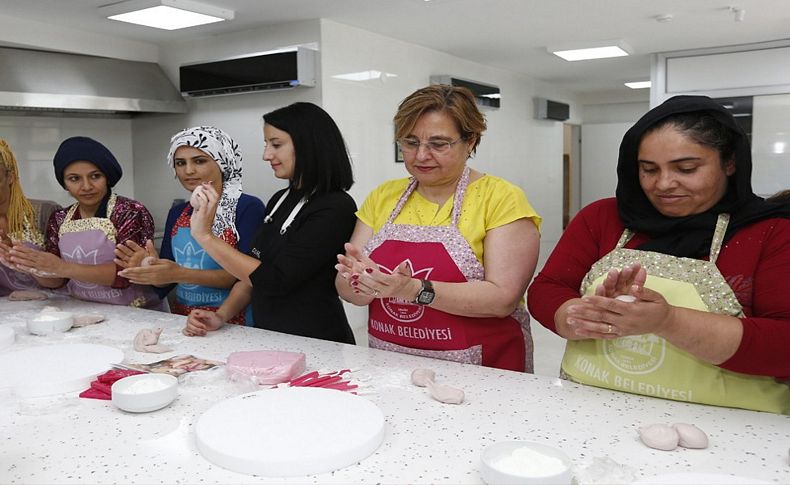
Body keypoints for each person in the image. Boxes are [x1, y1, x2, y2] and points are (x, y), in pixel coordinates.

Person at [527, 95, 790, 414]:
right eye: (649, 169)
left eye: (687, 168)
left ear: (730, 162)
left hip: (730, 425)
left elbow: (783, 346)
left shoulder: (772, 233)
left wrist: (670, 320)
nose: (664, 184)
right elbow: (548, 287)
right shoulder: (602, 218)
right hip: (593, 407)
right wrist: (575, 315)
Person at [335, 84, 541, 372]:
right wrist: (362, 283)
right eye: (410, 142)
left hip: (482, 368)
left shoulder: (501, 198)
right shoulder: (384, 197)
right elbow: (349, 288)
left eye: (439, 144)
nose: (421, 156)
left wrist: (414, 290)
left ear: (470, 141)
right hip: (391, 363)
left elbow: (502, 299)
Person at [184, 102, 357, 343]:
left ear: (309, 144)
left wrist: (205, 236)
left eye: (276, 145)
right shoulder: (279, 199)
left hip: (316, 340)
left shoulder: (335, 207)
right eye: (267, 145)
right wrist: (221, 315)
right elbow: (253, 273)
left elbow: (275, 281)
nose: (266, 155)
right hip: (269, 335)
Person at [113, 126, 266, 325]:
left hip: (234, 321)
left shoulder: (247, 207)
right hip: (184, 320)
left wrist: (178, 273)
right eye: (180, 163)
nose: (188, 171)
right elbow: (168, 281)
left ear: (222, 162)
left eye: (199, 161)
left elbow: (245, 278)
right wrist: (151, 268)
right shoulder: (178, 212)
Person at [5, 136, 163, 309]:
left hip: (135, 312)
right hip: (82, 309)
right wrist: (30, 265)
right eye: (74, 179)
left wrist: (63, 267)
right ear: (64, 184)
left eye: (95, 176)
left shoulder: (130, 212)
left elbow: (130, 273)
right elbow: (57, 282)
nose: (86, 186)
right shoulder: (59, 219)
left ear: (107, 177)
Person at [0, 139, 60, 296]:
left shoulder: (46, 212)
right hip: (7, 310)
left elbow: (61, 278)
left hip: (55, 306)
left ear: (10, 177)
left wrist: (23, 259)